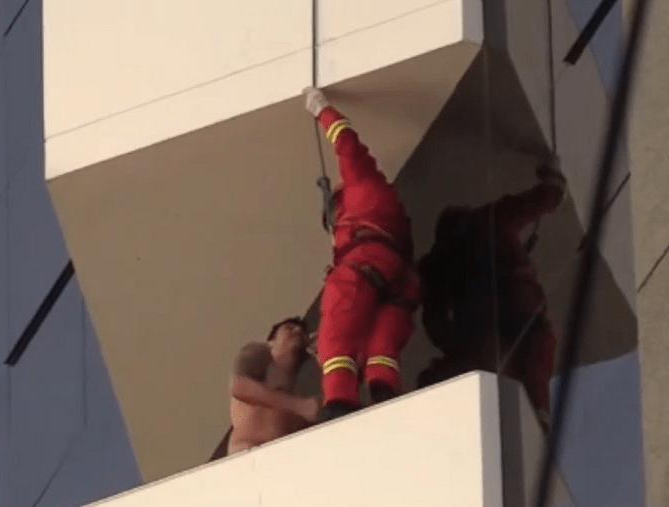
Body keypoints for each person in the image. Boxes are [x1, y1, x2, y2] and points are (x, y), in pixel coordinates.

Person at [302, 87, 422, 422]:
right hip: (396, 278)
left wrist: (323, 110)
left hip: (365, 264)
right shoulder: (391, 212)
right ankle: (382, 386)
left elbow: (347, 143)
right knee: (380, 344)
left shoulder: (360, 182)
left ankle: (339, 400)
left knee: (336, 334)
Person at [416, 165, 567, 428]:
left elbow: (434, 319)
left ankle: (445, 406)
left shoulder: (438, 262)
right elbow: (528, 205)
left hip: (480, 324)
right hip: (516, 307)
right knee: (536, 346)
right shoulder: (486, 221)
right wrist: (553, 191)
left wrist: (455, 345)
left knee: (495, 361)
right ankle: (536, 411)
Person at [228, 317, 320, 454]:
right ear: (271, 342)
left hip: (280, 456)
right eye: (288, 328)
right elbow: (239, 387)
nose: (297, 331)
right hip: (245, 451)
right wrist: (298, 406)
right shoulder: (261, 355)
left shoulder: (302, 386)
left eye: (302, 332)